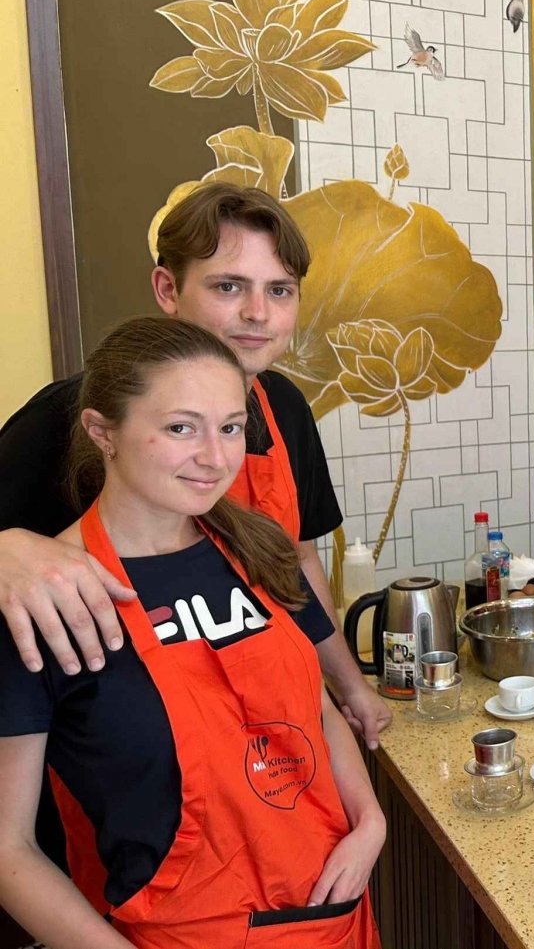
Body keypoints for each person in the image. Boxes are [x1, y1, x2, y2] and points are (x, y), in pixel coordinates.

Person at [0, 317, 382, 947]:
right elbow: (11, 849)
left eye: (230, 428)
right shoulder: (49, 603)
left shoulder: (260, 549)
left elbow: (312, 703)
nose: (214, 457)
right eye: (181, 427)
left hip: (332, 916)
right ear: (104, 433)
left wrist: (370, 822)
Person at [0, 183, 390, 750]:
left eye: (279, 290)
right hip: (125, 759)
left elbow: (297, 558)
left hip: (269, 734)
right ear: (168, 289)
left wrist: (349, 687)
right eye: (229, 286)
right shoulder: (79, 414)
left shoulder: (284, 407)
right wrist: (6, 547)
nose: (257, 313)